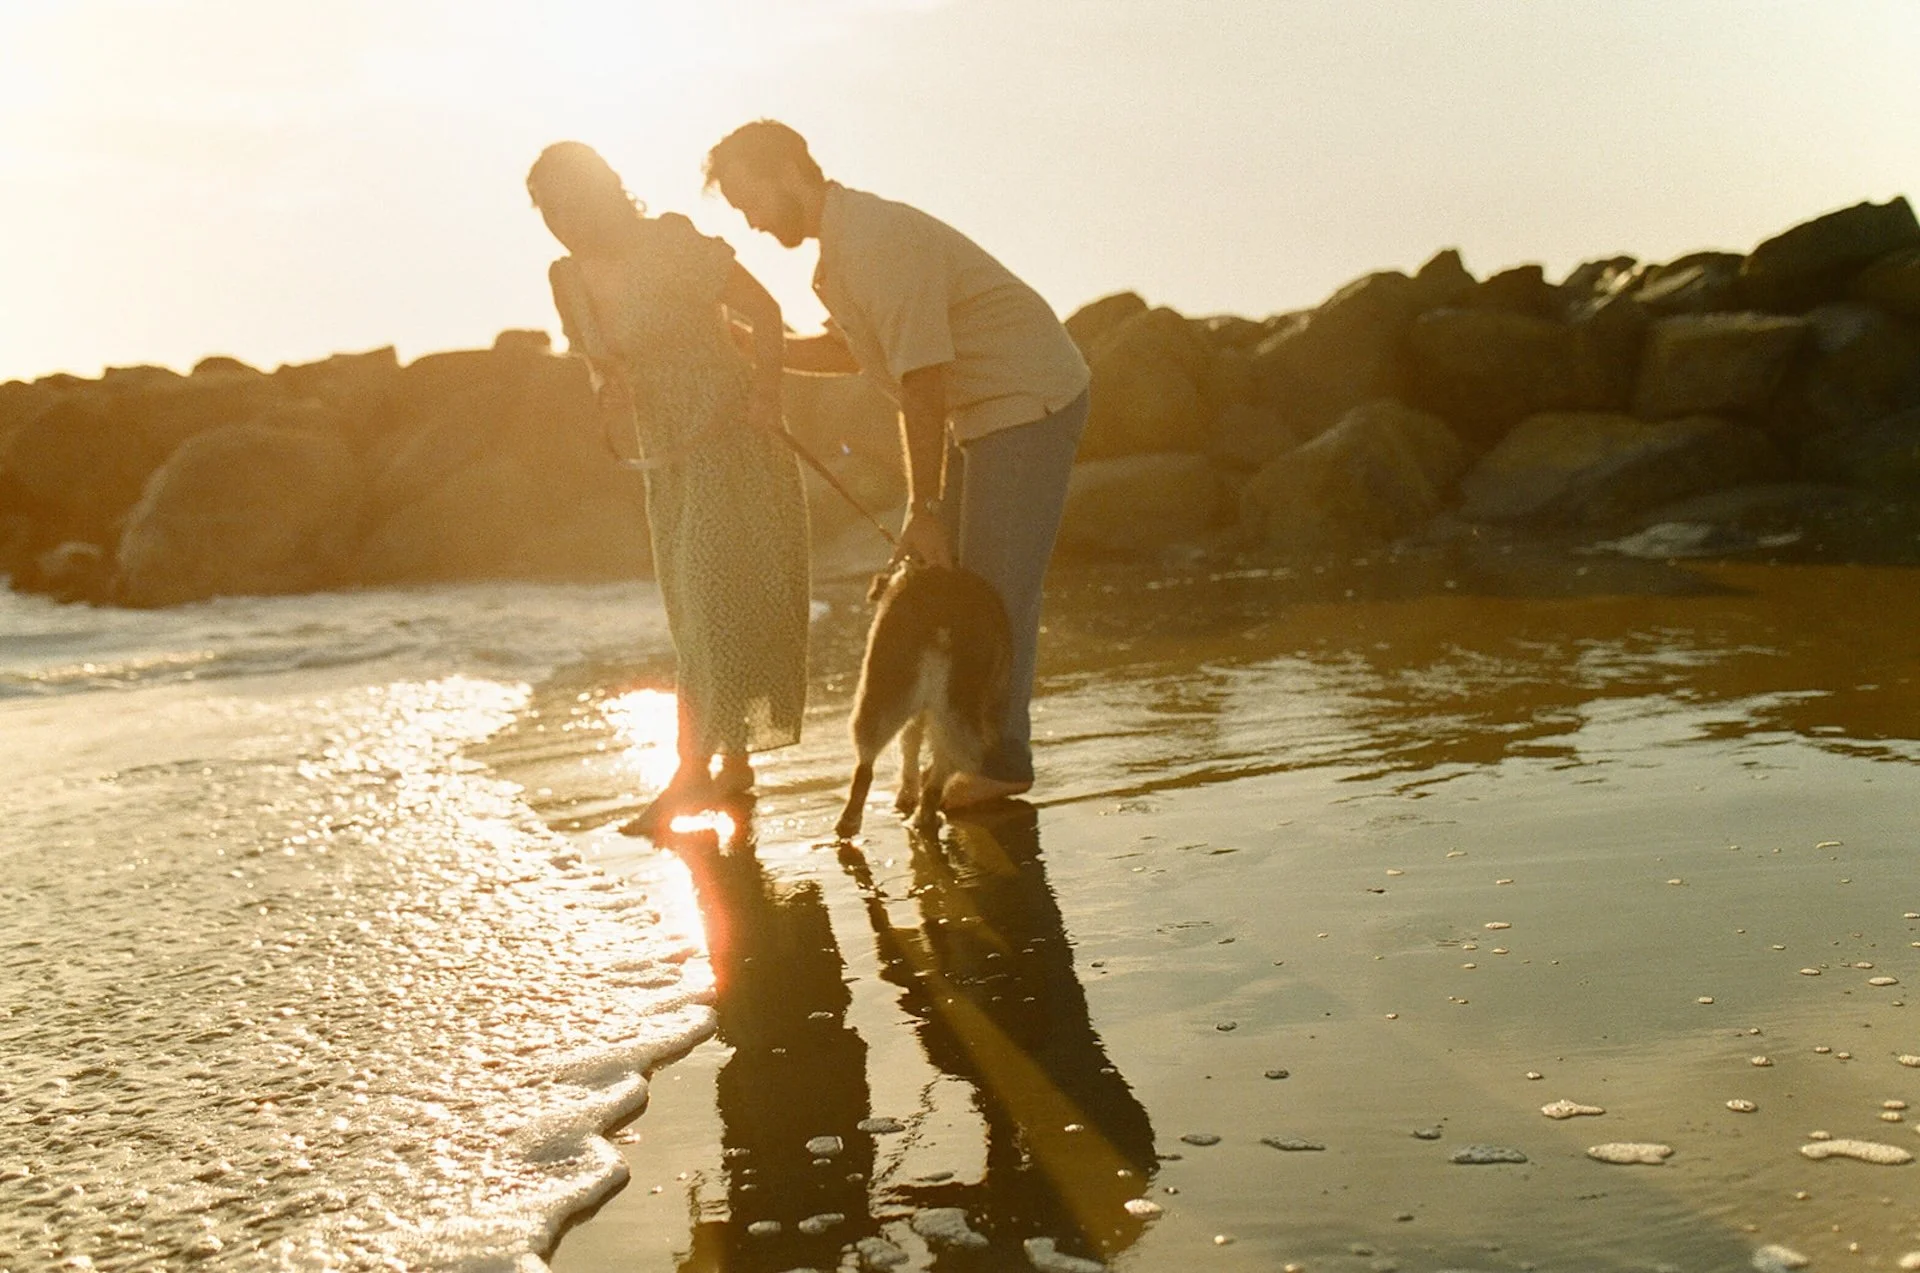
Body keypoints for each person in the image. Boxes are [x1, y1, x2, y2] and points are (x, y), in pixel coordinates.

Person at [703, 120, 1090, 807]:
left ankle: (1001, 760)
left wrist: (925, 507)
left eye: (749, 200)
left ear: (789, 169)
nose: (752, 222)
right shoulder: (839, 257)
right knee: (961, 587)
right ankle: (962, 753)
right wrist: (754, 347)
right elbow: (855, 352)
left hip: (1030, 396)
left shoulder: (878, 241)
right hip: (982, 411)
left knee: (993, 595)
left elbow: (924, 379)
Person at [528, 141, 810, 836]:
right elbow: (600, 366)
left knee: (719, 595)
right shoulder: (565, 279)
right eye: (546, 210)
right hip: (668, 458)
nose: (561, 221)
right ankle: (733, 770)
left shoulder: (672, 243)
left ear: (603, 193)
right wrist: (609, 392)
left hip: (732, 436)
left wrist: (769, 395)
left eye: (570, 202)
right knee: (696, 608)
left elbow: (767, 313)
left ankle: (692, 773)